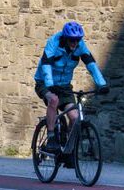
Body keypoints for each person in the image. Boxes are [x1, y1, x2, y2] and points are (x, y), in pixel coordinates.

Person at [33, 20, 108, 154]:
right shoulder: (53, 43)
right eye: (71, 40)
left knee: (75, 117)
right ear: (65, 38)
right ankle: (51, 137)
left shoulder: (80, 46)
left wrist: (101, 84)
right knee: (54, 100)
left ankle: (69, 150)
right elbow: (46, 65)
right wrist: (50, 85)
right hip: (44, 82)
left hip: (65, 86)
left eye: (77, 40)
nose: (74, 43)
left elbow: (91, 64)